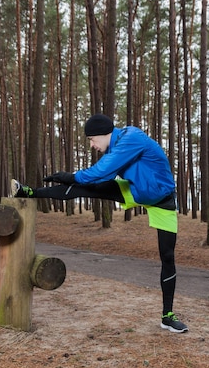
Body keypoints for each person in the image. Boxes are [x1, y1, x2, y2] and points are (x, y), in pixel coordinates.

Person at [11, 113, 188, 333]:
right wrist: (73, 178)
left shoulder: (131, 138)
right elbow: (97, 175)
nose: (93, 145)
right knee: (88, 187)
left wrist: (73, 176)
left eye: (93, 140)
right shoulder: (116, 145)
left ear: (106, 134)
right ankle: (29, 192)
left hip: (162, 200)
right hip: (135, 190)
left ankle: (167, 316)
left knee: (167, 256)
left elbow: (103, 169)